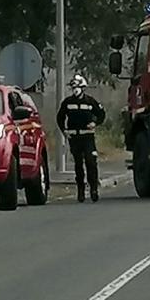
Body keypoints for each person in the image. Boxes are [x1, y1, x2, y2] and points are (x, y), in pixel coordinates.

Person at [56, 74, 106, 203]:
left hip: (88, 137)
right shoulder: (67, 102)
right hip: (74, 137)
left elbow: (101, 114)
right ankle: (81, 190)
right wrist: (64, 131)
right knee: (78, 164)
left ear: (83, 88)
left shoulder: (90, 101)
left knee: (91, 162)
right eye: (73, 88)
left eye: (77, 87)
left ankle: (94, 189)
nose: (75, 90)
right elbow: (60, 118)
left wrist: (95, 123)